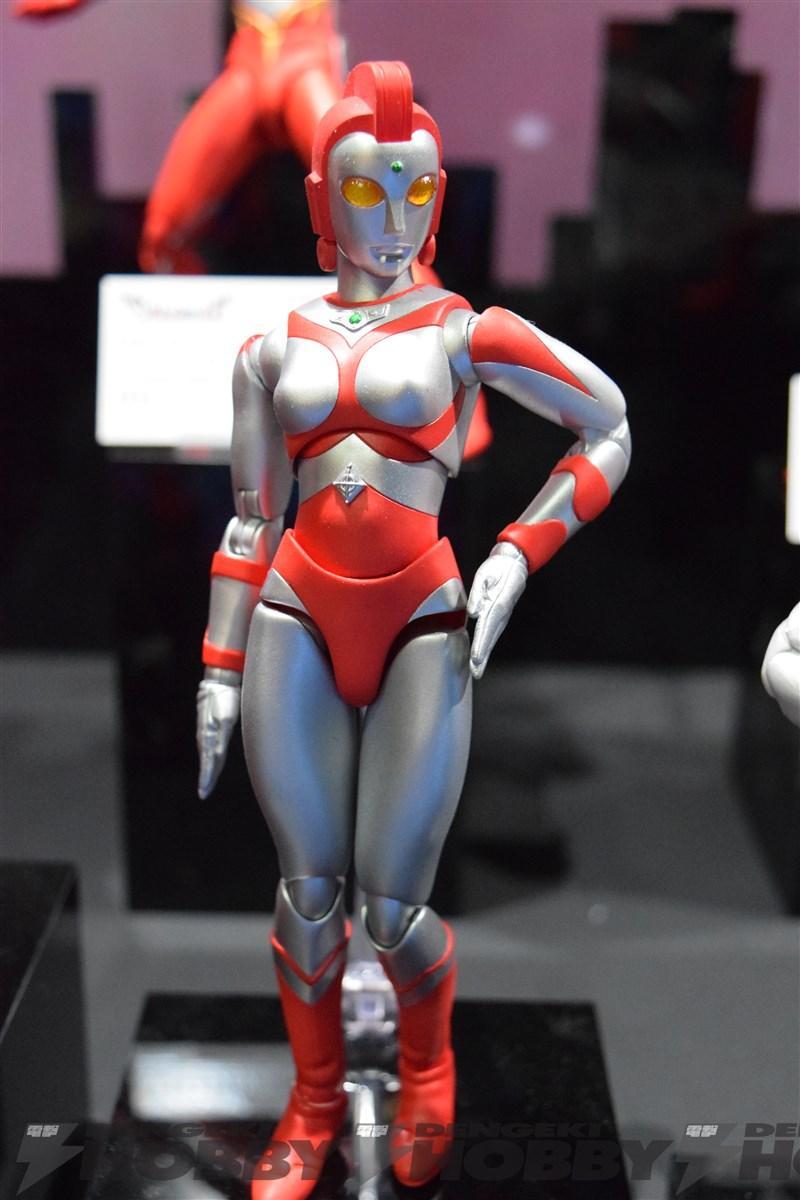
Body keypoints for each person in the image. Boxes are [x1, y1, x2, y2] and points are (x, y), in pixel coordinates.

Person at [196, 60, 630, 1199]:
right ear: (320, 198)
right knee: (307, 894)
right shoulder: (268, 351)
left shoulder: (463, 332)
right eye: (366, 189)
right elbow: (250, 520)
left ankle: (428, 1069)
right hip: (294, 616)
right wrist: (217, 668)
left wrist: (515, 554)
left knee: (391, 909)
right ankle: (313, 1099)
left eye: (416, 190)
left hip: (422, 624)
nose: (393, 217)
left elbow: (606, 426)